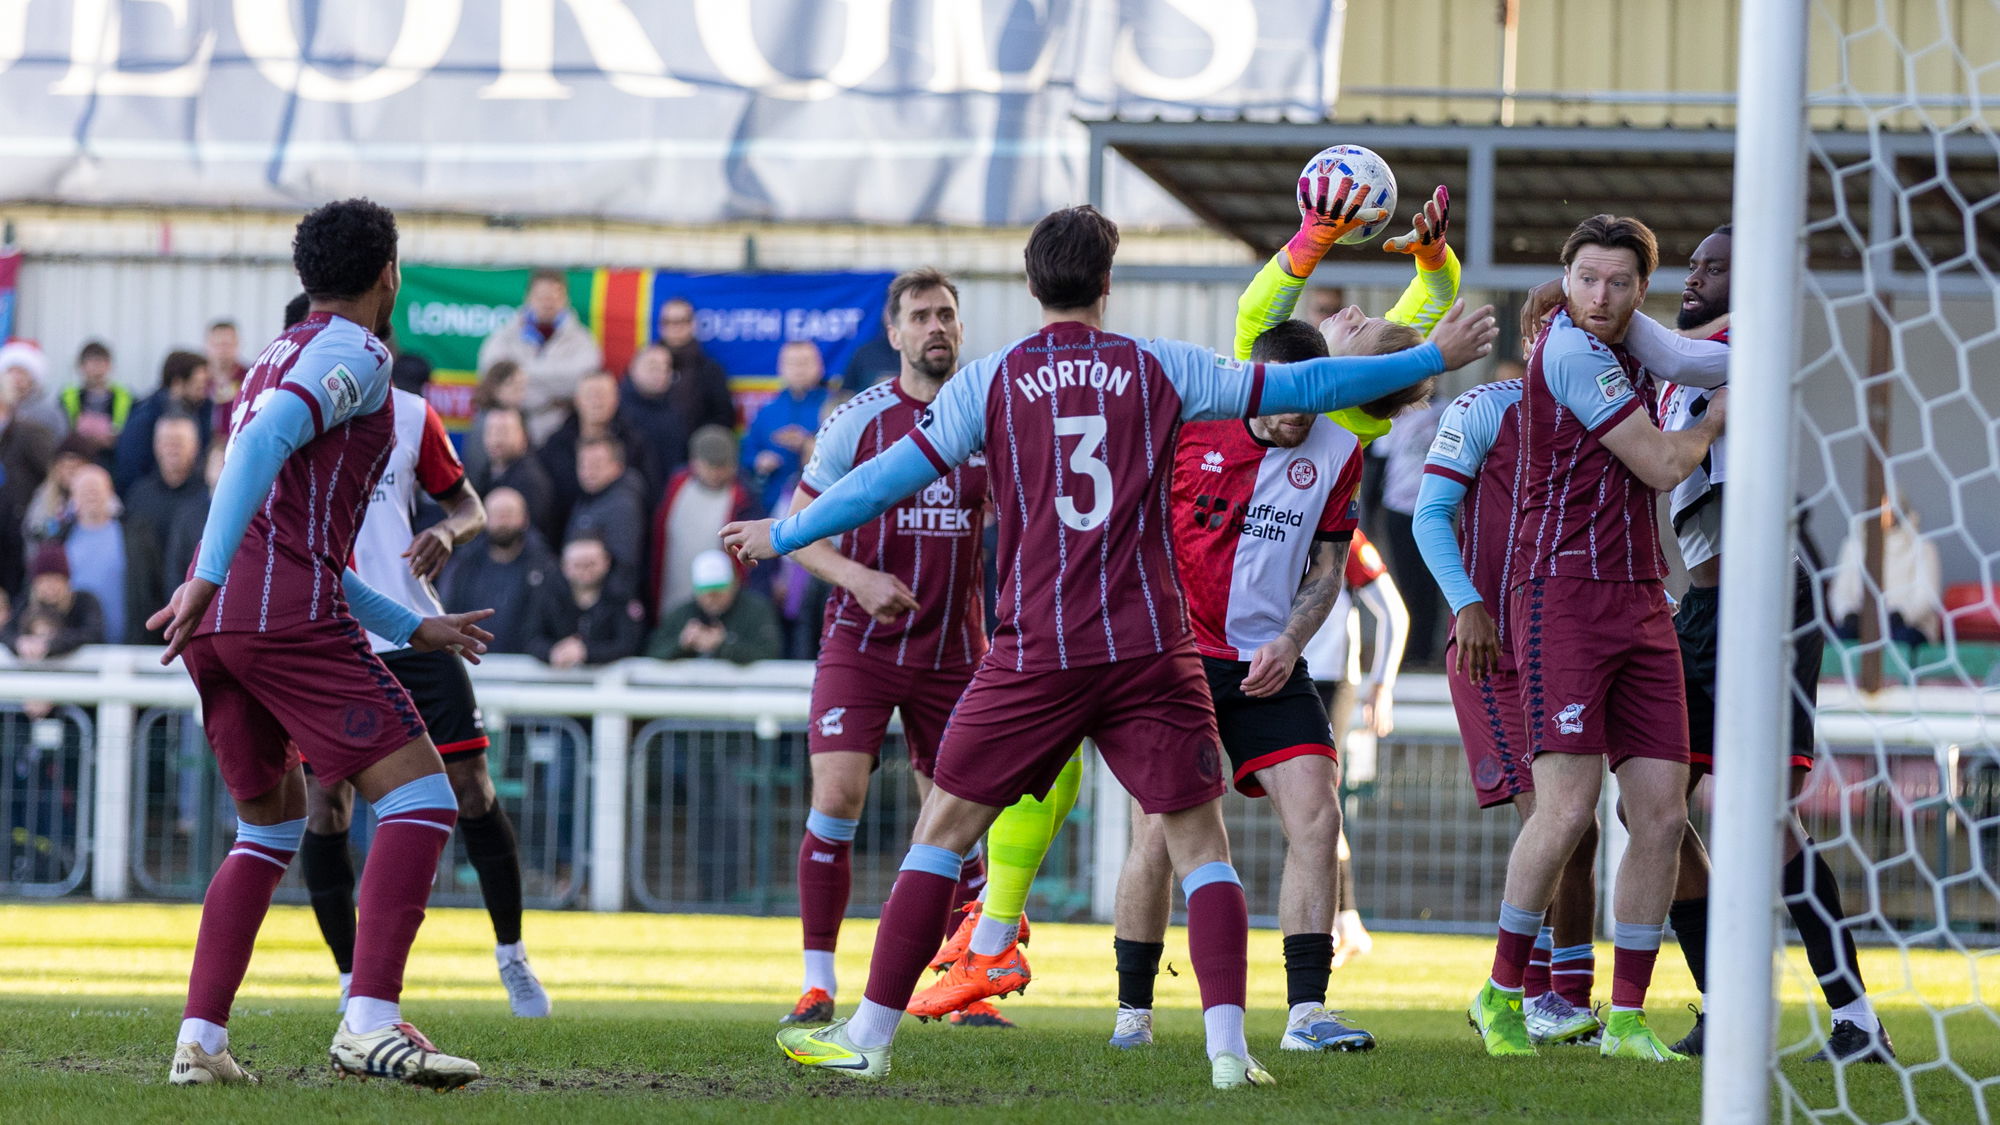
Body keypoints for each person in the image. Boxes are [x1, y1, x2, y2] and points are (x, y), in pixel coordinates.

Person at [726, 202, 1496, 1088]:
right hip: (1152, 647)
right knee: (1201, 843)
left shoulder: (991, 380)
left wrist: (784, 533)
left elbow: (876, 484)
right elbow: (1305, 386)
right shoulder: (1160, 364)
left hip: (1041, 645)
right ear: (1106, 282)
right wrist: (1432, 356)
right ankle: (1229, 1051)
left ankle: (869, 1033)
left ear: (1030, 283)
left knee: (943, 830)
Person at [147, 198, 492, 1089]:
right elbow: (265, 457)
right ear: (389, 275)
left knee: (268, 827)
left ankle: (200, 1041)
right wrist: (209, 573)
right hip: (271, 612)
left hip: (224, 625)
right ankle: (369, 1021)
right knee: (423, 797)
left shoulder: (274, 355)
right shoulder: (362, 353)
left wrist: (413, 624)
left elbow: (289, 531)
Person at [1109, 180, 1455, 1054]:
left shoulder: (1341, 439)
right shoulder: (1199, 417)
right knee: (1158, 835)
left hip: (1270, 662)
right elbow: (1260, 305)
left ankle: (1306, 1014)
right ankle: (1133, 1015)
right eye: (1285, 403)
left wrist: (1292, 637)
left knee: (1319, 814)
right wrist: (1311, 237)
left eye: (1313, 404)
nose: (1300, 419)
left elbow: (1329, 566)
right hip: (1175, 662)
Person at [778, 267, 1068, 1032]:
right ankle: (816, 984)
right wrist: (860, 578)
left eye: (946, 314)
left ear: (960, 328)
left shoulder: (988, 415)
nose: (935, 326)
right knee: (837, 796)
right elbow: (799, 531)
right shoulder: (858, 420)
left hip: (955, 652)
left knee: (961, 816)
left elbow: (1031, 516)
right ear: (895, 333)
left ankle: (964, 985)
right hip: (862, 643)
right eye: (920, 316)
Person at [1466, 214, 1726, 1063]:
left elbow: (1690, 355)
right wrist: (1716, 421)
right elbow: (1662, 463)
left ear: (1642, 288)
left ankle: (1626, 1018)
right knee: (1568, 810)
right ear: (1566, 279)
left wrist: (1764, 337)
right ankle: (1503, 992)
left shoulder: (1634, 335)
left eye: (1618, 282)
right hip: (1563, 595)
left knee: (1662, 813)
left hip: (1643, 597)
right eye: (1585, 279)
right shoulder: (1571, 349)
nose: (1600, 295)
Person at [1650, 225, 1891, 1063]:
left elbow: (1664, 352)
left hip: (1767, 606)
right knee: (1652, 807)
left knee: (1766, 821)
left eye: (1714, 267)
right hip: (1701, 609)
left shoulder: (1741, 349)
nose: (1694, 276)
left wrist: (1587, 306)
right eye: (1691, 264)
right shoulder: (1680, 366)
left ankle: (1856, 1018)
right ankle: (1725, 1007)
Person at [294, 360, 552, 1025]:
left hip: (416, 632)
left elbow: (469, 507)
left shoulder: (411, 414)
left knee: (473, 789)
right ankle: (351, 978)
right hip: (329, 640)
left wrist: (444, 530)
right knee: (326, 804)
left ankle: (512, 954)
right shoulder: (295, 412)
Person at [1413, 374, 1605, 1047]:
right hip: (1492, 650)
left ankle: (1566, 999)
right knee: (1554, 821)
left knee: (1582, 830)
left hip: (1564, 645)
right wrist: (1466, 602)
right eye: (1545, 325)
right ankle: (1526, 993)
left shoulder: (1607, 408)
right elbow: (1429, 514)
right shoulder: (1487, 407)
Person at [1306, 531, 1408, 970]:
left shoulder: (1341, 535)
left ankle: (1339, 923)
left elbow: (1394, 612)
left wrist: (1382, 684)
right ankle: (1346, 923)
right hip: (1276, 674)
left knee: (1315, 802)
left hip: (1328, 682)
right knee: (1305, 807)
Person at [649, 425, 760, 619]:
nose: (716, 473)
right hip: (670, 591)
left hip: (717, 602)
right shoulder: (676, 486)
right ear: (694, 462)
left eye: (723, 466)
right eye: (710, 466)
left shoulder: (743, 499)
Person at [478, 269, 603, 441]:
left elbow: (582, 380)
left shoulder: (583, 341)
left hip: (561, 432)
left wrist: (519, 377)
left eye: (554, 297)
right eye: (541, 297)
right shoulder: (503, 336)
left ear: (566, 299)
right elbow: (492, 375)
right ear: (528, 297)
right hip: (508, 429)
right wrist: (553, 393)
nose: (547, 303)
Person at [123, 412, 211, 643]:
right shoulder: (139, 495)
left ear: (195, 447)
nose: (172, 449)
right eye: (166, 442)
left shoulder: (207, 497)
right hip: (146, 615)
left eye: (179, 443)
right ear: (156, 446)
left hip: (195, 611)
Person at [440, 487, 558, 657]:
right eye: (496, 514)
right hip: (473, 661)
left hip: (527, 665)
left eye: (509, 513)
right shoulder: (464, 565)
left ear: (525, 518)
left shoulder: (544, 567)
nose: (503, 521)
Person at [1830, 501, 1940, 651]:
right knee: (1838, 639)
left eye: (1889, 507)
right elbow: (1840, 591)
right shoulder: (1853, 546)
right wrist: (1848, 614)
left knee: (1902, 642)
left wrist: (1900, 616)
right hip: (1862, 623)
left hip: (1907, 626)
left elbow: (1927, 596)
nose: (1884, 512)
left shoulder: (1922, 547)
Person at [526, 535, 644, 668]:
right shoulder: (549, 594)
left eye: (591, 564)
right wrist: (554, 652)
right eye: (577, 565)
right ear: (564, 565)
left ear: (606, 562)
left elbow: (628, 644)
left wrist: (586, 652)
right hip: (557, 674)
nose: (585, 571)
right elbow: (531, 638)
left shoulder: (621, 595)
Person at [647, 548, 782, 662]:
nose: (711, 599)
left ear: (734, 585)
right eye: (705, 593)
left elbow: (770, 654)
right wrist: (682, 644)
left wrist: (723, 644)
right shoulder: (681, 614)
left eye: (718, 592)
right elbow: (652, 655)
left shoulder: (755, 611)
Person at [742, 341, 831, 511]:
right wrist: (759, 460)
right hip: (773, 503)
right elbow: (747, 452)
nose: (799, 370)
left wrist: (807, 444)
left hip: (821, 504)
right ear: (780, 368)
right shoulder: (767, 410)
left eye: (804, 363)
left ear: (820, 366)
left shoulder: (833, 406)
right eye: (792, 363)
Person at [115, 350, 213, 493]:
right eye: (198, 386)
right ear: (177, 383)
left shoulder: (201, 412)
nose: (203, 393)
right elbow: (130, 469)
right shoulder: (144, 420)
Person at [564, 436, 648, 599]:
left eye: (596, 465)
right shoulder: (590, 497)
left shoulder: (622, 506)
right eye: (583, 465)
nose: (588, 472)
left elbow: (624, 567)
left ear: (617, 467)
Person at [471, 405, 560, 548]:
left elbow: (531, 536)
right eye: (491, 431)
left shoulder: (531, 480)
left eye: (504, 431)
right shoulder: (486, 472)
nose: (496, 438)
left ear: (524, 436)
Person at [1, 541, 105, 659]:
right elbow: (6, 632)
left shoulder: (85, 602)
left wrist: (51, 644)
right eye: (43, 581)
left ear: (67, 581)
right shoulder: (26, 603)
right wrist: (19, 643)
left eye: (55, 579)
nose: (49, 587)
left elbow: (92, 633)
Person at [58, 465, 126, 642]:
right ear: (73, 498)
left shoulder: (132, 537)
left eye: (96, 490)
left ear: (110, 494)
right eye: (84, 491)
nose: (91, 496)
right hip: (75, 643)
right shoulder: (60, 540)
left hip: (126, 643)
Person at [620, 343, 694, 490]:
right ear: (633, 368)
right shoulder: (617, 409)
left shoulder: (678, 409)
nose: (660, 373)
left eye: (666, 368)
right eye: (652, 367)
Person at [657, 297, 736, 432]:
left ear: (693, 324)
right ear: (661, 326)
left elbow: (723, 417)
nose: (674, 328)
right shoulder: (646, 364)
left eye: (681, 321)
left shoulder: (710, 369)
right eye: (668, 322)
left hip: (696, 442)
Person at [59, 340, 133, 464]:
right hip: (78, 461)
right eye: (92, 363)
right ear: (81, 366)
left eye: (101, 362)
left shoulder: (126, 397)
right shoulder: (67, 397)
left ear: (110, 366)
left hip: (113, 460)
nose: (97, 369)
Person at [460, 359, 527, 488]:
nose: (520, 393)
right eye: (514, 386)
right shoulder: (485, 421)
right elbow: (476, 466)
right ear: (496, 387)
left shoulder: (519, 415)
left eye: (522, 387)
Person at [2, 341, 68, 437]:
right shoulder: (3, 409)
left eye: (22, 372)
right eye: (11, 371)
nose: (16, 378)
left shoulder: (47, 413)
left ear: (33, 379)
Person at [205, 320, 249, 439]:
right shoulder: (199, 379)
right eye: (217, 345)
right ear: (207, 345)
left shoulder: (249, 377)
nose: (222, 350)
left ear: (237, 345)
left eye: (227, 345)